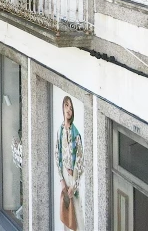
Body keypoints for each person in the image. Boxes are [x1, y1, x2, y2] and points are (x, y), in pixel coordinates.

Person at [56, 95, 84, 230]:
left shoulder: (76, 132)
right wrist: (61, 180)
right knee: (66, 211)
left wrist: (74, 184)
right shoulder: (60, 130)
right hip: (65, 177)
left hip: (74, 177)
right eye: (66, 106)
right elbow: (58, 156)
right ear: (62, 107)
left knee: (77, 212)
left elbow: (80, 160)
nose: (68, 110)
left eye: (71, 108)